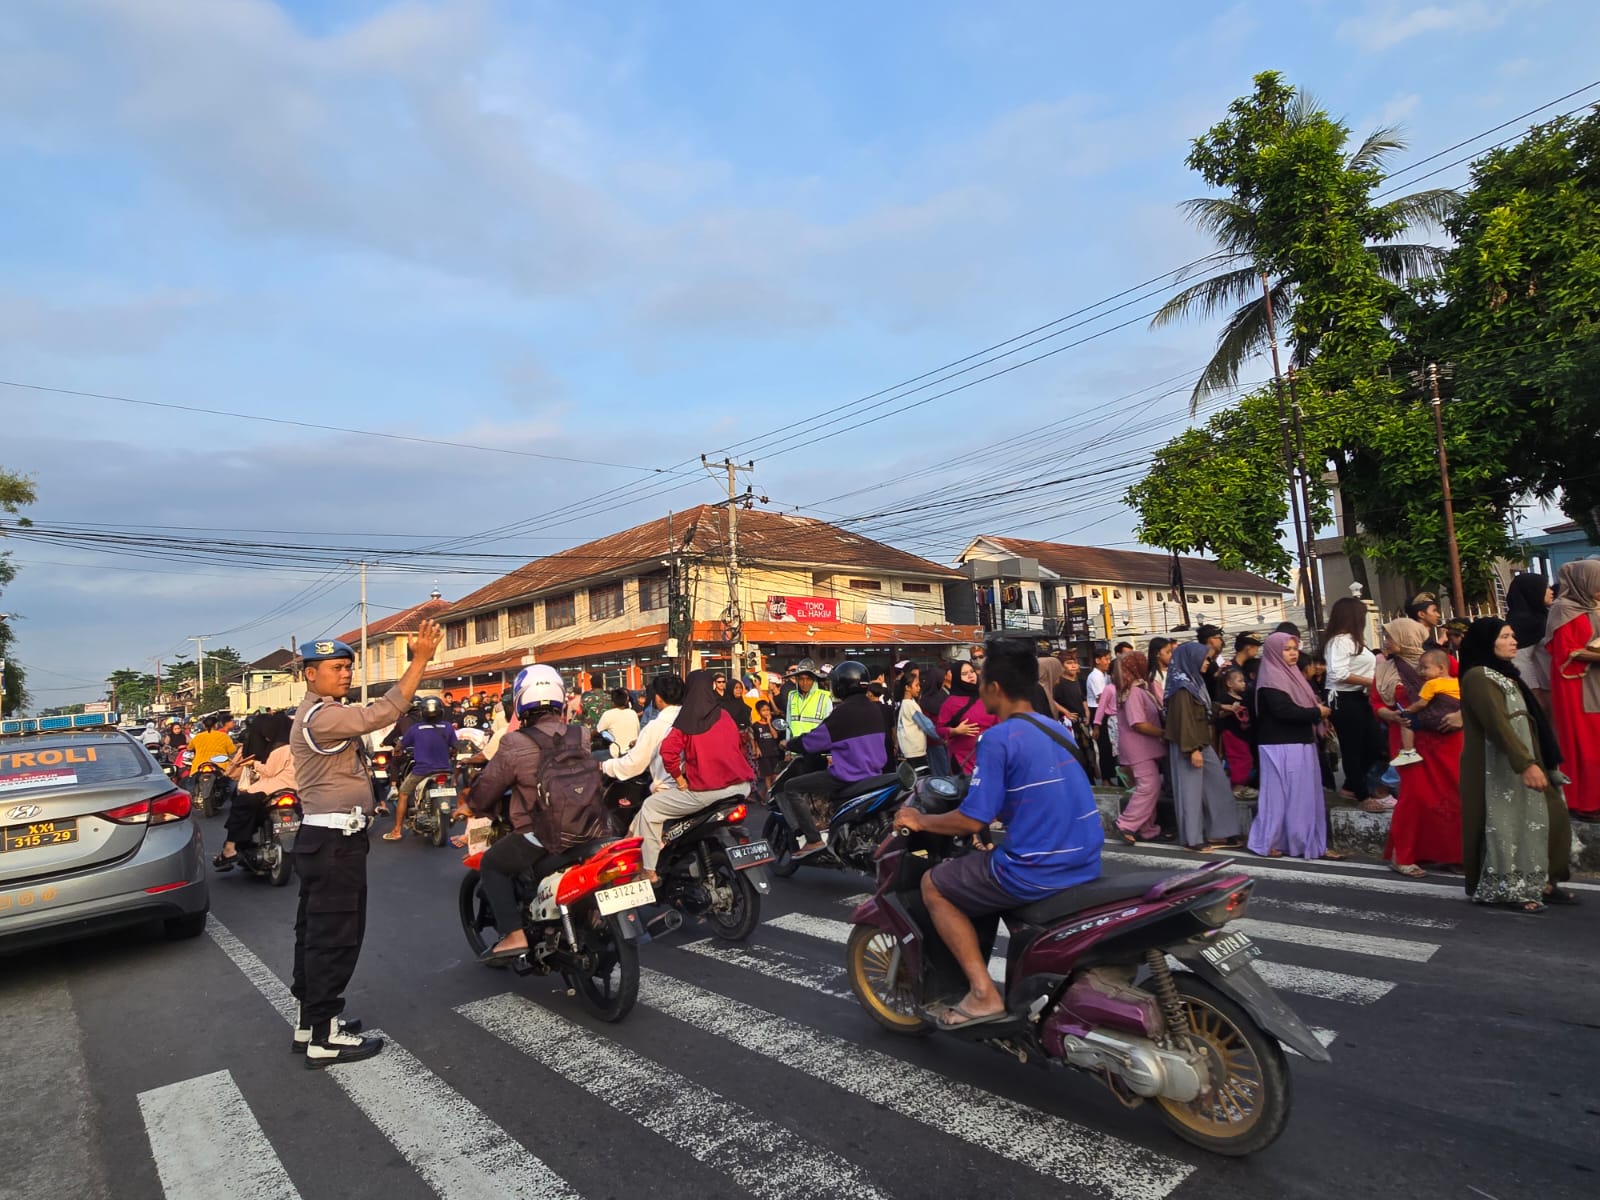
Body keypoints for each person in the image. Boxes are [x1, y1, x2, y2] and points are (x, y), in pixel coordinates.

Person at [892, 638, 1101, 1028]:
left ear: (995, 688)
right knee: (980, 862)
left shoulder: (999, 738)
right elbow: (1028, 795)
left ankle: (984, 994)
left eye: (982, 678)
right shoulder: (1057, 730)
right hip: (1084, 859)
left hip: (1036, 869)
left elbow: (972, 819)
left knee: (935, 885)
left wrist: (919, 821)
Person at [289, 622, 441, 1067]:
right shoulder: (323, 715)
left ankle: (311, 1022)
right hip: (334, 841)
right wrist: (419, 661)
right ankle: (324, 1036)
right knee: (335, 936)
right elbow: (381, 714)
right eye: (335, 668)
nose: (345, 674)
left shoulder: (321, 712)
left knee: (316, 934)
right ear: (309, 675)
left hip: (329, 838)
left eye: (347, 667)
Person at [459, 665, 610, 962]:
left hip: (542, 835)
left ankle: (514, 934)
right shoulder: (580, 734)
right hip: (592, 825)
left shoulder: (515, 742)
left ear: (520, 701)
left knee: (492, 864)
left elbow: (489, 786)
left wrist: (470, 805)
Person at [1458, 617, 1577, 913]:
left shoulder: (1507, 674)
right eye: (1505, 636)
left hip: (1528, 759)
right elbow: (1498, 726)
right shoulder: (1478, 676)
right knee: (1505, 826)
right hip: (1497, 766)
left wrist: (1545, 762)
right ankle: (1507, 888)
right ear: (1488, 642)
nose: (1513, 641)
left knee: (1553, 817)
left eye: (1513, 636)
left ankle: (1544, 882)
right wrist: (1525, 764)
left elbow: (1529, 722)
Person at [633, 670, 755, 881]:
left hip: (708, 791)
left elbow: (668, 752)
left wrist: (680, 780)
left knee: (651, 808)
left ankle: (649, 870)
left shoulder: (686, 718)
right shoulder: (724, 714)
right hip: (742, 787)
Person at [1372, 618, 1463, 878]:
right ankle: (1403, 855)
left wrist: (1462, 716)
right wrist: (1389, 716)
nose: (1386, 642)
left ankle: (1451, 854)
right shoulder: (1384, 670)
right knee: (1413, 797)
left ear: (1408, 637)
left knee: (1452, 795)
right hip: (1407, 740)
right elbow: (1377, 703)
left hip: (1446, 739)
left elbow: (1465, 690)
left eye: (1390, 637)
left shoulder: (1437, 659)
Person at [777, 661, 894, 857]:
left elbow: (812, 742)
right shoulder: (874, 709)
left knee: (792, 787)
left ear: (841, 685)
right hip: (874, 773)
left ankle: (813, 840)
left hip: (848, 774)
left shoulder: (843, 712)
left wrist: (788, 744)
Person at [1247, 632, 1337, 861]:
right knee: (1278, 797)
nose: (1293, 652)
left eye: (1294, 648)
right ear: (1274, 652)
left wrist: (1317, 713)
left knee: (1304, 797)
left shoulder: (1294, 676)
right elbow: (1283, 711)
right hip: (1279, 745)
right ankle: (1268, 841)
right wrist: (1317, 712)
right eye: (1287, 649)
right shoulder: (1271, 679)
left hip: (1301, 742)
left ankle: (1301, 840)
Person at [1161, 642, 1244, 852]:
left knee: (1217, 785)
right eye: (1206, 659)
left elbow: (1201, 708)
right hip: (1189, 744)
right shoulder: (1181, 688)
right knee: (1190, 792)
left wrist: (1221, 708)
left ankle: (1221, 832)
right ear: (1192, 659)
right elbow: (1184, 720)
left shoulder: (1193, 682)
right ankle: (1193, 838)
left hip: (1200, 741)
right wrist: (1192, 750)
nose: (1208, 663)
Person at [1322, 595, 1392, 812]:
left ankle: (1353, 785)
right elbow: (1338, 673)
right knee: (1353, 747)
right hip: (1343, 698)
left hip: (1359, 696)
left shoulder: (1355, 641)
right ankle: (1361, 795)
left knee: (1375, 744)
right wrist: (1370, 682)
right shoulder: (1339, 642)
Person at [1544, 559, 1600, 821]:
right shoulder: (1563, 609)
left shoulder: (1591, 607)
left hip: (1594, 681)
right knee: (1585, 742)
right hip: (1577, 686)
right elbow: (1565, 653)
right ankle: (1585, 802)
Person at [215, 710, 295, 870]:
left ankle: (230, 848)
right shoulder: (298, 744)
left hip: (274, 787)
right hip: (298, 789)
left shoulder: (279, 748)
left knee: (240, 806)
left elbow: (269, 771)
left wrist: (253, 764)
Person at [601, 674, 685, 803]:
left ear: (658, 697)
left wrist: (604, 766)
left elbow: (632, 765)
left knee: (640, 822)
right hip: (695, 789)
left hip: (668, 792)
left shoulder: (656, 726)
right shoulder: (690, 718)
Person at [386, 696, 456, 841]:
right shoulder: (448, 727)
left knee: (403, 793)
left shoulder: (416, 728)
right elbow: (454, 745)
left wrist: (397, 750)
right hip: (445, 769)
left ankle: (397, 830)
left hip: (422, 771)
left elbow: (400, 744)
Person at [1114, 651, 1165, 845]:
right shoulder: (1134, 692)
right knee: (1148, 786)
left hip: (1143, 747)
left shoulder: (1137, 689)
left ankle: (1148, 829)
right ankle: (1126, 823)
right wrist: (1163, 733)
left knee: (1151, 787)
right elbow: (1138, 723)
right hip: (1139, 748)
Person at [1390, 648, 1460, 768]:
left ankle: (1408, 752)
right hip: (1454, 720)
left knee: (1406, 721)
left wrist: (1408, 710)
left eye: (1425, 668)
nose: (1421, 672)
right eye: (1420, 668)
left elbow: (1421, 704)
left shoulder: (1431, 684)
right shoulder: (1457, 682)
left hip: (1437, 719)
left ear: (1441, 668)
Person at [936, 659, 997, 776]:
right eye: (964, 674)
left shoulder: (988, 696)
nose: (970, 675)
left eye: (972, 671)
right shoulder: (951, 702)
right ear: (957, 678)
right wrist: (955, 731)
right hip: (963, 759)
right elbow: (939, 729)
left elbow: (999, 721)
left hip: (990, 755)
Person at [1505, 572, 1553, 711]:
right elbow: (1521, 661)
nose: (1551, 591)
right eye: (1545, 588)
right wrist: (1535, 692)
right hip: (1541, 694)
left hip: (1552, 685)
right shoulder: (1520, 623)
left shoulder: (1544, 616)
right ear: (1532, 591)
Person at [1214, 667, 1256, 799]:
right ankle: (1237, 786)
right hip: (1232, 733)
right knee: (1239, 758)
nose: (1244, 683)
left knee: (1246, 758)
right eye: (1240, 681)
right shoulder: (1224, 698)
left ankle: (1241, 784)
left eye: (1244, 681)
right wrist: (1230, 710)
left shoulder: (1244, 697)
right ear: (1229, 684)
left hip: (1244, 733)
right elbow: (1219, 714)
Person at [894, 666, 935, 771]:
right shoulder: (910, 705)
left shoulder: (904, 704)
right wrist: (942, 735)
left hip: (908, 750)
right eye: (916, 685)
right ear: (907, 687)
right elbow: (927, 725)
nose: (919, 688)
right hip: (915, 751)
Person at [1084, 649, 1114, 781]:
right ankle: (1106, 778)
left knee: (1110, 745)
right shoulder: (1095, 676)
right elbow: (1102, 698)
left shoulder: (1105, 675)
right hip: (1097, 711)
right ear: (1097, 660)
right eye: (1106, 659)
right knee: (1104, 746)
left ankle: (1111, 774)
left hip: (1104, 709)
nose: (1108, 662)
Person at [918, 662, 952, 776]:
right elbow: (928, 725)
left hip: (942, 739)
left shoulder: (930, 698)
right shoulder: (929, 700)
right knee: (941, 772)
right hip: (935, 741)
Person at [783, 660, 832, 739]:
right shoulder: (792, 696)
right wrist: (788, 745)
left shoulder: (824, 698)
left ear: (814, 680)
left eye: (808, 679)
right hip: (795, 748)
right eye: (801, 679)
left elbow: (829, 727)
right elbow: (788, 723)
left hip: (815, 748)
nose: (804, 683)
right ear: (797, 680)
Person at [595, 687, 640, 756]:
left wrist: (587, 738)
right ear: (626, 701)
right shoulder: (633, 713)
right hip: (633, 752)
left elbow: (597, 731)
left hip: (616, 754)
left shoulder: (608, 714)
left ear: (612, 702)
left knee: (593, 755)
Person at [752, 699, 784, 786]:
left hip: (773, 752)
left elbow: (775, 736)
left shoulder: (773, 723)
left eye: (768, 710)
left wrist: (769, 723)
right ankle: (768, 796)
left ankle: (775, 794)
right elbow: (755, 739)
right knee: (768, 776)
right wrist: (757, 748)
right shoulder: (756, 725)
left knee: (775, 775)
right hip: (764, 754)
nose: (766, 712)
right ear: (759, 712)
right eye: (763, 710)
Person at [1146, 637, 1173, 703]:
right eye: (1167, 652)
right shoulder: (1155, 676)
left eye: (1171, 652)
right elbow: (1161, 700)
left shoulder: (1171, 671)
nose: (1171, 655)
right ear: (1157, 654)